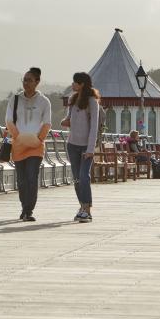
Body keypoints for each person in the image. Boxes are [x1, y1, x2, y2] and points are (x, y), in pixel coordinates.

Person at [6, 67, 51, 221]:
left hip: (35, 146)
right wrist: (18, 137)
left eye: (29, 80)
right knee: (22, 180)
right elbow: (9, 121)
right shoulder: (15, 99)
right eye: (24, 80)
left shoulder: (44, 101)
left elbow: (47, 124)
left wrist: (39, 139)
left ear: (37, 82)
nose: (26, 83)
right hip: (18, 145)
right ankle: (25, 207)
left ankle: (28, 210)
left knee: (32, 177)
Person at [59, 72, 100, 223]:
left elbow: (94, 126)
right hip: (72, 145)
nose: (72, 85)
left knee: (84, 177)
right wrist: (64, 122)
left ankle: (87, 210)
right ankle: (82, 207)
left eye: (75, 82)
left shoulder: (92, 102)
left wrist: (90, 149)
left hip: (86, 147)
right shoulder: (73, 99)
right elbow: (68, 119)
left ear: (82, 84)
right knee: (76, 179)